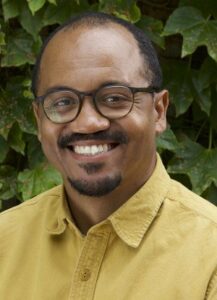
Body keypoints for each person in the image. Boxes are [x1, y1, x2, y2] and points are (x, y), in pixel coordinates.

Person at [0, 12, 217, 300]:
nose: (88, 123)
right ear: (39, 121)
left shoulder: (209, 257)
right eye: (63, 102)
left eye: (114, 98)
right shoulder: (5, 240)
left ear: (159, 111)